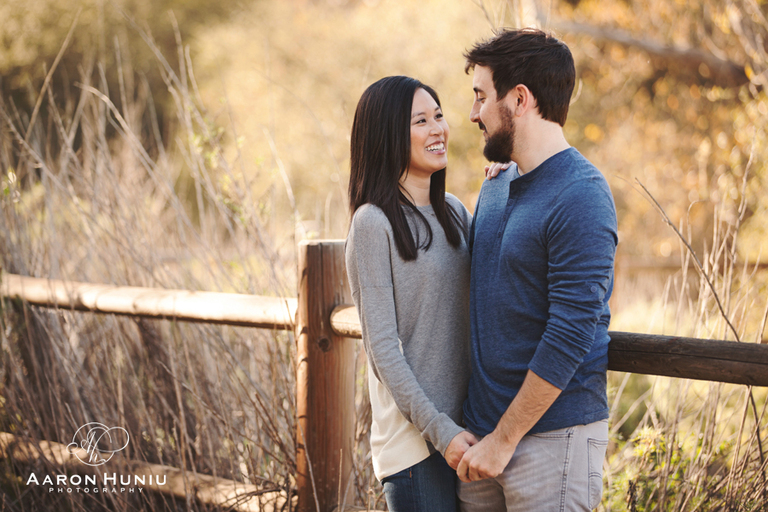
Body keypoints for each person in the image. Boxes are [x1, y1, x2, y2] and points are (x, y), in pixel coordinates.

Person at [455, 28, 619, 511]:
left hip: (553, 442)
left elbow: (571, 332)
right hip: (480, 442)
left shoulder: (582, 195)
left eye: (481, 97)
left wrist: (504, 440)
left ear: (520, 99)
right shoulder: (497, 184)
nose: (472, 113)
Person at [345, 75, 479, 512]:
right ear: (387, 135)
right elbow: (382, 348)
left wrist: (507, 183)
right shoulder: (372, 224)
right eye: (421, 120)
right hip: (416, 447)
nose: (438, 129)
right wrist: (440, 431)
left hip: (472, 435)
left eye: (439, 116)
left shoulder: (457, 213)